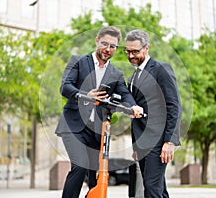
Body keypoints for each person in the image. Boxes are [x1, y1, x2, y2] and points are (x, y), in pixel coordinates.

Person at [55, 26, 143, 198]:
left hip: (97, 132)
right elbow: (65, 87)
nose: (108, 49)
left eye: (112, 46)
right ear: (97, 41)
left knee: (96, 177)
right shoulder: (78, 62)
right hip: (73, 126)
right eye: (105, 44)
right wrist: (84, 95)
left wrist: (134, 106)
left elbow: (125, 94)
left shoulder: (116, 73)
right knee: (79, 166)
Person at [125, 29, 182, 198]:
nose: (130, 56)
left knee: (151, 187)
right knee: (156, 188)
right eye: (127, 51)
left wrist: (170, 141)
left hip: (158, 140)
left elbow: (174, 106)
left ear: (146, 48)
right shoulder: (133, 76)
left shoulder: (161, 69)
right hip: (142, 142)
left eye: (135, 51)